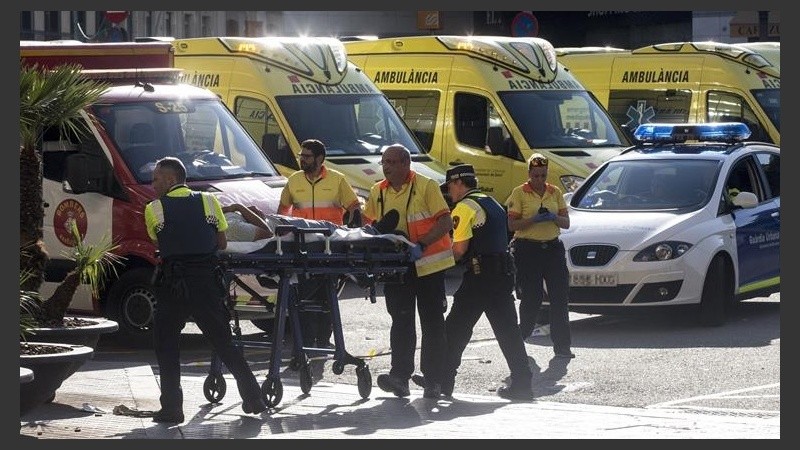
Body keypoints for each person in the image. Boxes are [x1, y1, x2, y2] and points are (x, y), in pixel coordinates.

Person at [143, 157, 267, 423]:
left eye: (155, 179)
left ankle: (172, 409)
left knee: (165, 343)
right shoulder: (209, 202)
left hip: (173, 282)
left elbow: (159, 242)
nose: (152, 185)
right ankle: (254, 397)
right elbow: (221, 242)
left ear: (170, 179)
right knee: (222, 341)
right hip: (206, 281)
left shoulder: (154, 208)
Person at [363, 144, 455, 399]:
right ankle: (400, 377)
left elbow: (445, 221)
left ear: (406, 164)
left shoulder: (426, 186)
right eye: (384, 162)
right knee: (401, 322)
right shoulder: (377, 191)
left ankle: (434, 381)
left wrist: (422, 244)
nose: (386, 167)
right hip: (398, 268)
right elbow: (370, 224)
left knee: (432, 324)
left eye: (392, 162)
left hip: (429, 266)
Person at [441, 164, 534, 400]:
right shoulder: (492, 202)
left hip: (479, 276)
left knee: (455, 328)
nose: (449, 192)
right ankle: (523, 382)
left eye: (450, 186)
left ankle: (443, 380)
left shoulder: (464, 207)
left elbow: (459, 250)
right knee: (508, 331)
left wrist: (435, 263)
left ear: (460, 184)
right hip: (502, 274)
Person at [278, 139, 361, 349]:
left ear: (319, 159)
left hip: (329, 246)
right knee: (304, 295)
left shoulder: (337, 179)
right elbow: (282, 212)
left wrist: (350, 234)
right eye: (301, 156)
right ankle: (305, 342)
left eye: (306, 156)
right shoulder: (293, 181)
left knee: (327, 294)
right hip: (303, 246)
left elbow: (354, 206)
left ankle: (324, 340)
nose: (301, 160)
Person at [506, 153, 574, 359]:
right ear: (528, 174)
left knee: (560, 297)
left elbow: (566, 222)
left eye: (543, 176)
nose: (539, 180)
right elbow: (512, 225)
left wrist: (553, 217)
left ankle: (562, 346)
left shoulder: (555, 192)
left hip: (552, 248)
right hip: (529, 250)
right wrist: (534, 219)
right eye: (535, 176)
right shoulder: (519, 193)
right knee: (532, 298)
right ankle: (520, 338)